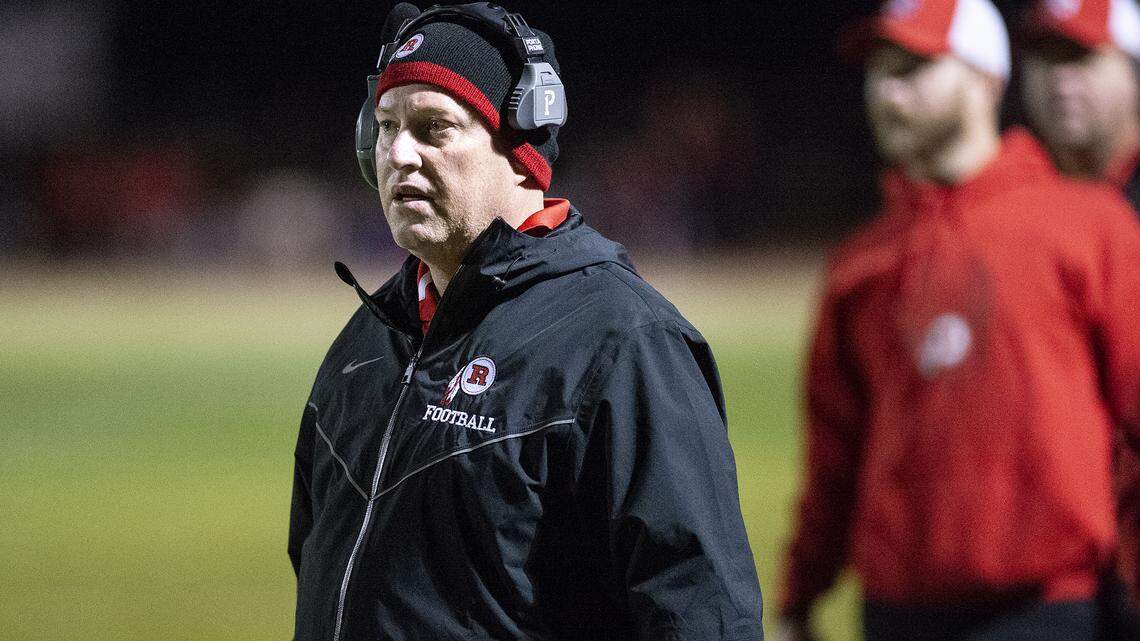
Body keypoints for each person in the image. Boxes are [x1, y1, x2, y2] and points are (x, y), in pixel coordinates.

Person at [287, 3, 764, 640]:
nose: (397, 153)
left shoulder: (624, 342)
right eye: (384, 126)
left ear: (520, 147)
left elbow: (699, 611)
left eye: (433, 128)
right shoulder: (366, 342)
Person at [776, 0, 1140, 640]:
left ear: (985, 79)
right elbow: (836, 450)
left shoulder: (1089, 227)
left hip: (1049, 612)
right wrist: (800, 592)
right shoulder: (861, 261)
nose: (888, 92)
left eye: (915, 68)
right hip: (895, 616)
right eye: (879, 71)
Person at [1018, 0, 1140, 633]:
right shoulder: (1011, 211)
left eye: (1084, 57)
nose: (1061, 79)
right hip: (1051, 579)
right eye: (1046, 57)